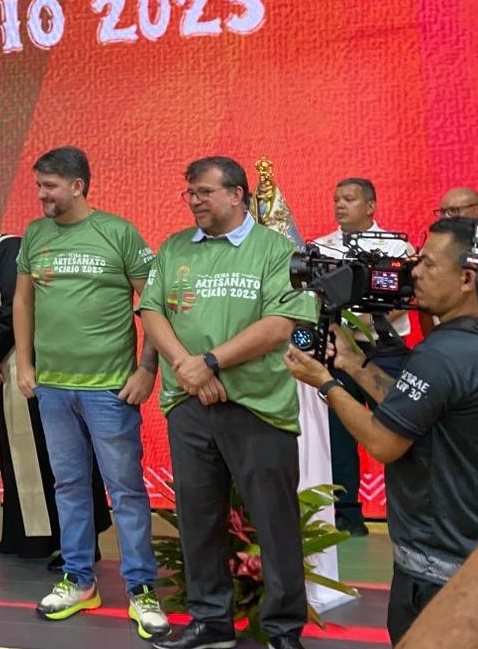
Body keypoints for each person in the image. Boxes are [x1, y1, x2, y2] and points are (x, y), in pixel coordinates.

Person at [140, 156, 318, 649]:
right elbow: (152, 311)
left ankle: (282, 630)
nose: (194, 201)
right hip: (189, 405)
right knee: (199, 519)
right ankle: (210, 622)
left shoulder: (277, 250)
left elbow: (281, 324)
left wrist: (212, 362)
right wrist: (189, 368)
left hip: (258, 407)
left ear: (238, 194)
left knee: (275, 521)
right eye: (190, 193)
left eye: (204, 192)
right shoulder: (174, 247)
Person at [285, 216, 478, 645]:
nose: (414, 273)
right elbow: (416, 409)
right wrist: (352, 363)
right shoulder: (469, 344)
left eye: (428, 264)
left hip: (437, 573)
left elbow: (383, 441)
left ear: (467, 278)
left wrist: (324, 382)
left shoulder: (443, 354)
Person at [10, 148, 168, 638]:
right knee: (69, 487)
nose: (41, 195)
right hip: (54, 389)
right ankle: (79, 580)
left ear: (77, 186)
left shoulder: (118, 233)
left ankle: (141, 589)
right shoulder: (35, 234)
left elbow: (154, 303)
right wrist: (25, 364)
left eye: (50, 186)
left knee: (126, 490)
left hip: (110, 391)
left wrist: (147, 368)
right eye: (39, 185)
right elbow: (22, 300)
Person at [0, 205, 112, 563]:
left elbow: (12, 309)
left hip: (32, 371)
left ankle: (74, 543)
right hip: (11, 369)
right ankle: (27, 537)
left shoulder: (10, 249)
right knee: (22, 457)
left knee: (54, 460)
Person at [309, 177, 415, 536]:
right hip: (338, 350)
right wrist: (340, 333)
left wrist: (366, 326)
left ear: (370, 205)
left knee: (398, 428)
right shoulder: (321, 248)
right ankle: (347, 516)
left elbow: (405, 295)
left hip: (385, 350)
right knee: (340, 432)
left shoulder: (396, 246)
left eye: (349, 199)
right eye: (336, 199)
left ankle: (407, 513)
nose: (340, 205)